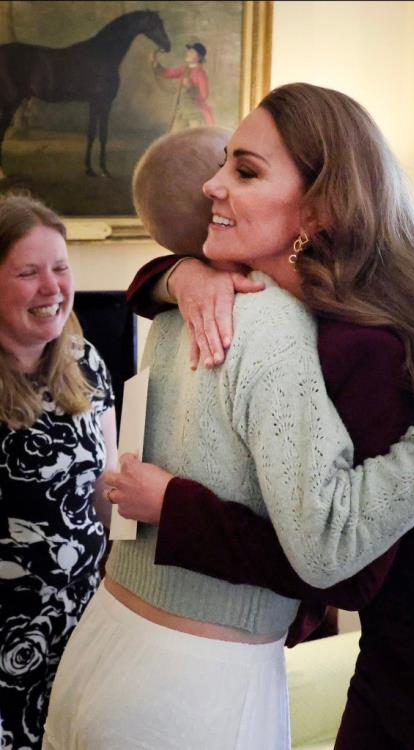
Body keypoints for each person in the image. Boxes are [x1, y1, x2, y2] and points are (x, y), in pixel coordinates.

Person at [44, 90, 414, 750]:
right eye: (223, 167)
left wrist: (180, 275)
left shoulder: (185, 309)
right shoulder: (259, 321)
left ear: (321, 205)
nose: (213, 186)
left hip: (104, 645)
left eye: (245, 170)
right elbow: (330, 552)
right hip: (194, 681)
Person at [0, 194, 117, 750]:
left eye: (61, 268)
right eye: (28, 272)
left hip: (80, 631)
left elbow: (107, 492)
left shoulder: (86, 362)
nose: (52, 288)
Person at [153, 41, 215, 129]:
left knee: (195, 137)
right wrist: (156, 65)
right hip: (182, 111)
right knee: (175, 137)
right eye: (189, 51)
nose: (188, 53)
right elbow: (168, 73)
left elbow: (204, 96)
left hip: (194, 113)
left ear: (199, 57)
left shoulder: (200, 74)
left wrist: (190, 87)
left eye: (192, 52)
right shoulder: (184, 69)